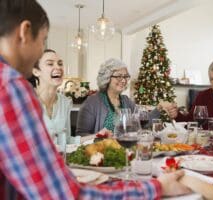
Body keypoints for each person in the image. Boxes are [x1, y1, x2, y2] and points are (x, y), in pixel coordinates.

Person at [0, 0, 189, 199]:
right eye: (43, 40)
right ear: (25, 31)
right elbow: (64, 195)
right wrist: (157, 188)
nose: (40, 50)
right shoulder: (11, 87)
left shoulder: (126, 102)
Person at [76, 58, 174, 135]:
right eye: (119, 76)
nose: (123, 80)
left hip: (125, 150)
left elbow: (144, 122)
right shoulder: (92, 103)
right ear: (106, 78)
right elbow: (81, 135)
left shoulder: (126, 101)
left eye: (126, 76)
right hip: (101, 154)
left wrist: (159, 107)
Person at [28, 49, 74, 143]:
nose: (58, 67)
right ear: (36, 72)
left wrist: (96, 136)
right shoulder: (26, 100)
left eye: (60, 63)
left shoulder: (65, 102)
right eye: (50, 64)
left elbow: (67, 141)